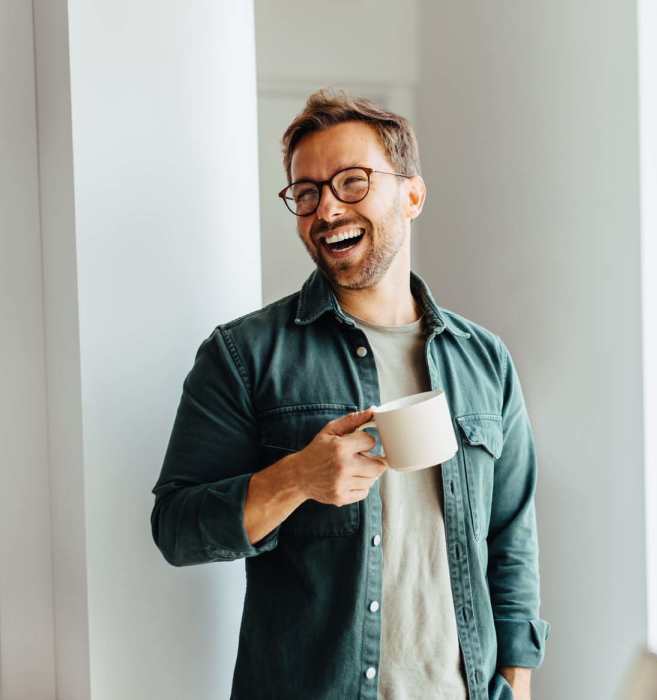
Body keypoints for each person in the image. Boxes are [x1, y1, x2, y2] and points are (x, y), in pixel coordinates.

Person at [151, 90, 547, 700]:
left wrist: (516, 683)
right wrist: (295, 479)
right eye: (307, 193)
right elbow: (177, 530)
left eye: (352, 182)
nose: (327, 208)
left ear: (412, 195)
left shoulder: (484, 360)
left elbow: (511, 536)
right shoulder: (244, 355)